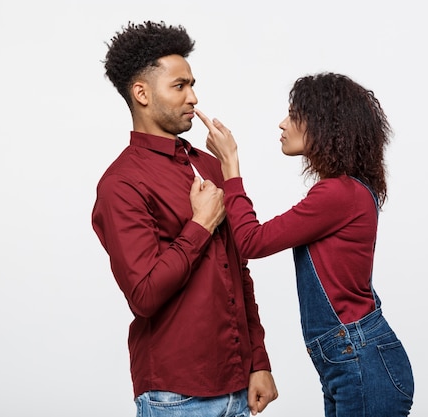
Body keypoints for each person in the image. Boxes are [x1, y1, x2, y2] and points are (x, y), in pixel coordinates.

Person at [195, 72, 414, 417]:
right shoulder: (347, 191)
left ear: (326, 126)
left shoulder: (338, 194)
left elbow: (253, 241)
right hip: (351, 359)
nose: (282, 124)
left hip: (359, 358)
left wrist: (230, 166)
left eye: (295, 116)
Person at [91, 21, 277, 417]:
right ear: (141, 93)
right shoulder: (120, 184)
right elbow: (143, 295)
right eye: (180, 86)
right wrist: (200, 225)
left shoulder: (207, 165)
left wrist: (259, 360)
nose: (194, 98)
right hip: (176, 396)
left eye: (192, 84)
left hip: (238, 385)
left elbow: (238, 272)